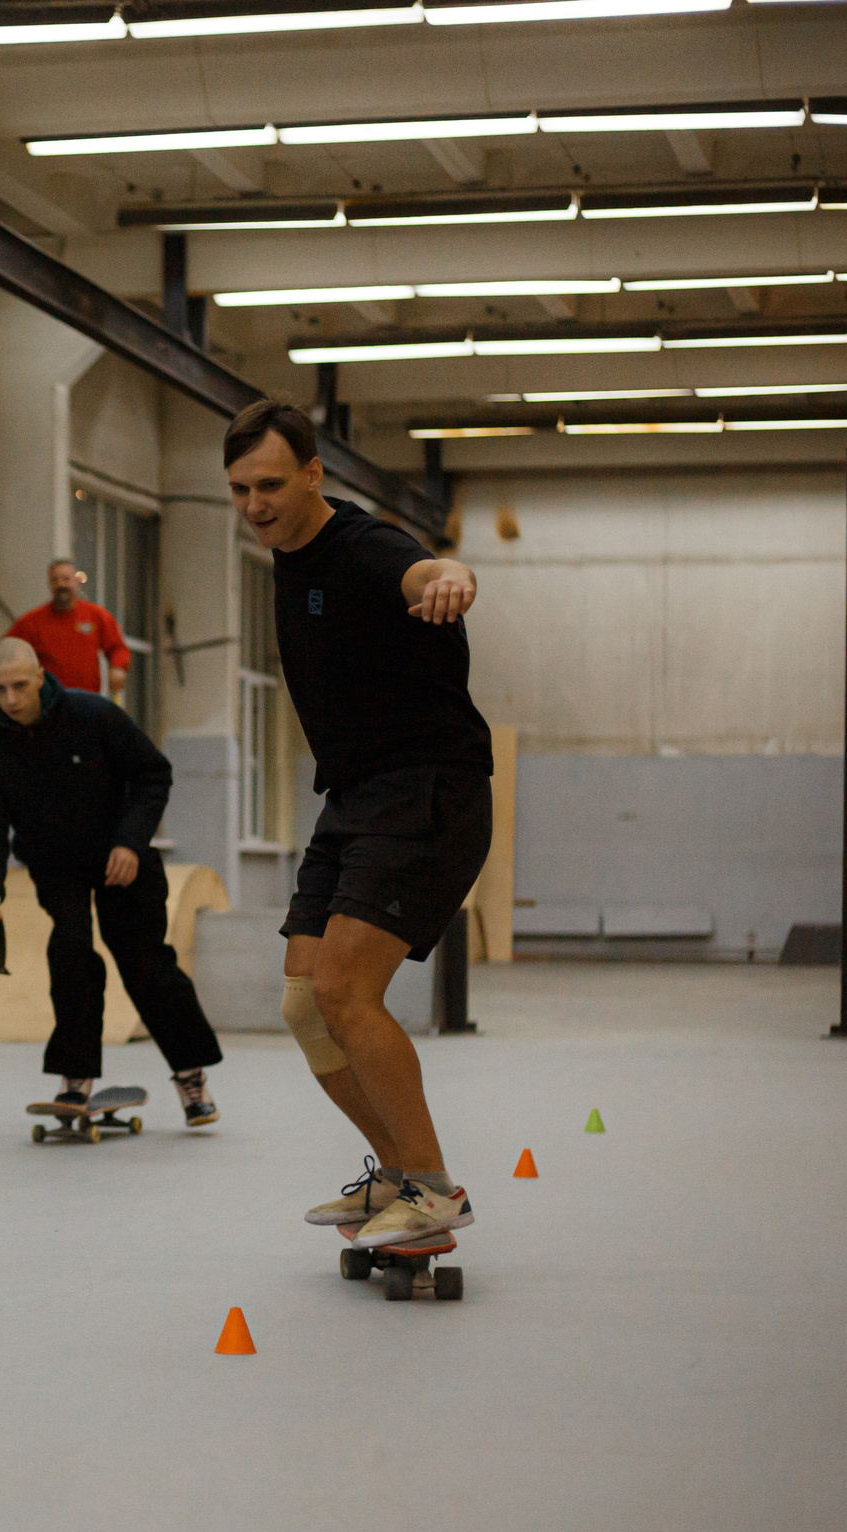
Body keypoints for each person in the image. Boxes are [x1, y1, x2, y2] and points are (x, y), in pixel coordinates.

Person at [222, 399, 493, 1252]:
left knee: (345, 990)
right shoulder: (286, 553)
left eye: (271, 485)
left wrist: (451, 577)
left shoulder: (363, 546)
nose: (255, 505)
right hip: (354, 795)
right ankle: (397, 1170)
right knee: (305, 1002)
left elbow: (424, 571)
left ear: (313, 474)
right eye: (239, 489)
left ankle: (433, 1189)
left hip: (427, 787)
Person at [0, 636, 221, 1126]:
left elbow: (153, 775)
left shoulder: (92, 715)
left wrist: (130, 841)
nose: (11, 699)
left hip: (122, 859)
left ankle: (191, 1075)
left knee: (144, 961)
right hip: (56, 866)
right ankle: (75, 1078)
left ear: (40, 677)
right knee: (70, 952)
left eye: (20, 686)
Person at [5, 558, 132, 699]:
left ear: (76, 582)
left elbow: (118, 648)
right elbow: (7, 650)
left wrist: (117, 668)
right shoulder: (32, 622)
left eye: (66, 579)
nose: (61, 584)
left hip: (86, 701)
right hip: (48, 702)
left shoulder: (95, 615)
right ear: (49, 584)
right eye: (55, 580)